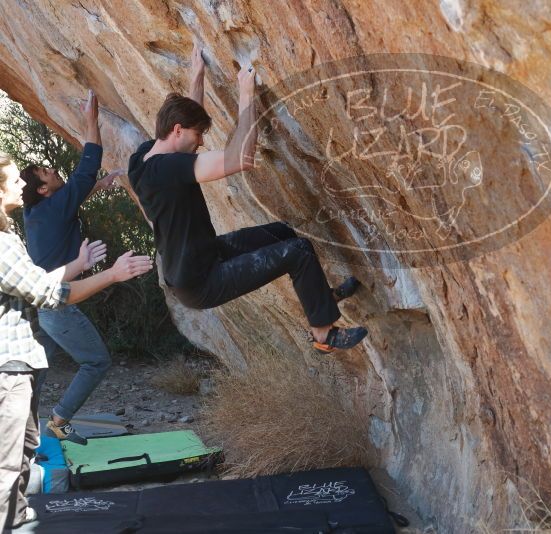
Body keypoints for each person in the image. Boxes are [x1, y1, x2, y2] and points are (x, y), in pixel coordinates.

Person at [127, 43, 367, 353]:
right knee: (298, 251)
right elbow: (240, 158)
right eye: (198, 135)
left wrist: (197, 77)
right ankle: (323, 334)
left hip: (203, 257)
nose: (200, 142)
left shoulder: (142, 158)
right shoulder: (169, 167)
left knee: (282, 233)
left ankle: (322, 297)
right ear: (177, 131)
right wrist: (245, 94)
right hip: (202, 281)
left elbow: (186, 119)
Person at [0, 152, 152, 529]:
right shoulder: (6, 242)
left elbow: (38, 283)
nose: (19, 181)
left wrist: (79, 265)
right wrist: (112, 275)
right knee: (96, 361)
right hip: (11, 365)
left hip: (22, 357)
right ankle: (59, 422)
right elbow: (51, 293)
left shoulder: (19, 227)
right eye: (11, 178)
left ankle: (19, 514)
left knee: (22, 449)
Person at [19, 89, 122, 446]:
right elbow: (89, 162)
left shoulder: (34, 213)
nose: (51, 169)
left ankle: (23, 433)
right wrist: (91, 120)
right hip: (56, 303)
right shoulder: (51, 205)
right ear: (44, 189)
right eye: (46, 172)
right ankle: (58, 421)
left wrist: (97, 188)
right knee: (96, 362)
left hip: (36, 305)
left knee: (37, 373)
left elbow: (70, 202)